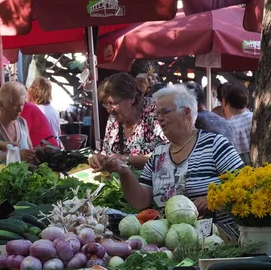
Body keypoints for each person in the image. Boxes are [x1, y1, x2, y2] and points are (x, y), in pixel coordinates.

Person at [92, 84, 244, 213]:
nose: (159, 118)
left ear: (186, 113)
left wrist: (213, 199)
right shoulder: (158, 154)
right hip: (172, 240)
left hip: (214, 237)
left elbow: (244, 184)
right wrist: (123, 171)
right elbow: (141, 201)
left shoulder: (215, 144)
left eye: (165, 112)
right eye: (157, 113)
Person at [89, 72, 165, 170]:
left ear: (132, 98)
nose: (109, 110)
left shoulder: (156, 112)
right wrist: (98, 158)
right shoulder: (113, 119)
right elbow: (106, 152)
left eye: (113, 103)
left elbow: (165, 155)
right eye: (106, 104)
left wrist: (126, 159)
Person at [0, 81, 37, 168]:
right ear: (1, 105)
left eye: (22, 105)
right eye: (15, 105)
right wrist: (14, 157)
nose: (20, 110)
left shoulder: (22, 123)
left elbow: (30, 152)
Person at [220, 82, 253, 156]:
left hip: (237, 165)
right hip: (262, 165)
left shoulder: (226, 126)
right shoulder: (254, 118)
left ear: (226, 102)